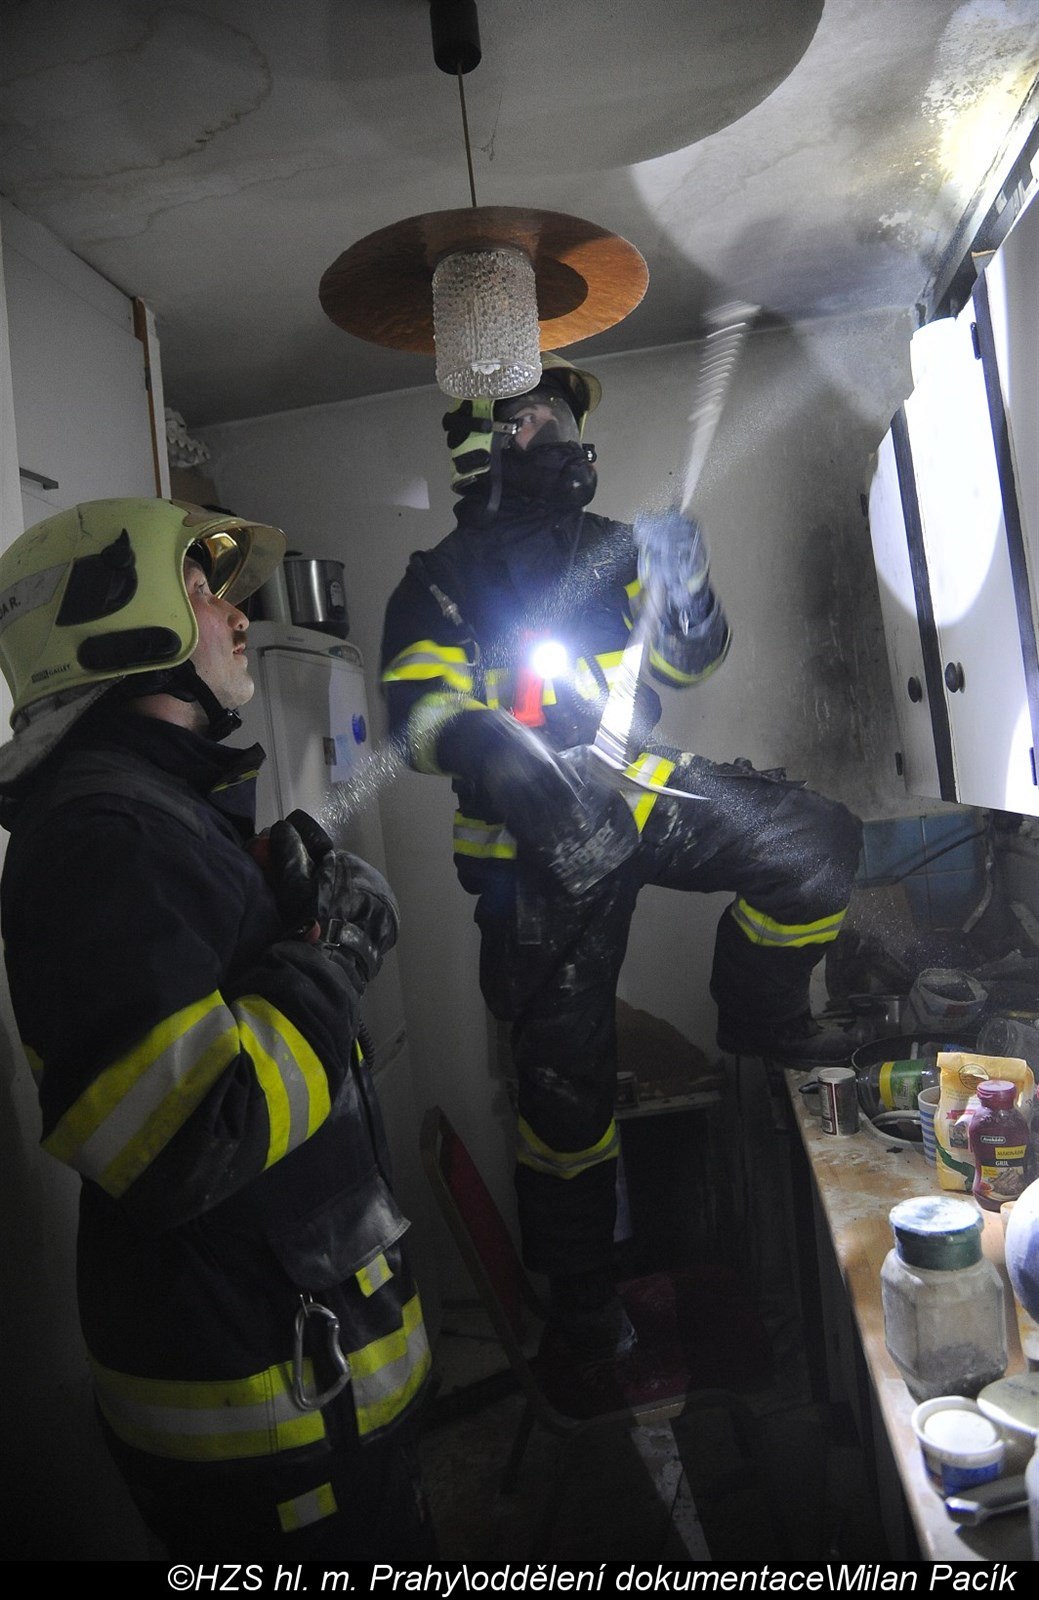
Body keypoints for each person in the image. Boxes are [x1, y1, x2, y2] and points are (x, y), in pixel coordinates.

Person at [380, 354, 863, 1355]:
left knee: (814, 844)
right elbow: (414, 712)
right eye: (539, 419)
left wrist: (688, 582)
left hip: (634, 793)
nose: (561, 436)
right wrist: (490, 750)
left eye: (561, 419)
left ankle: (763, 1022)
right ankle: (582, 1304)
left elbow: (690, 659)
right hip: (529, 851)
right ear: (486, 441)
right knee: (565, 1094)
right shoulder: (437, 580)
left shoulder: (611, 545)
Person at [0, 498, 435, 1559]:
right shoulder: (101, 836)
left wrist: (278, 907)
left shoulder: (148, 813)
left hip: (292, 1379)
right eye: (201, 590)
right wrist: (333, 957)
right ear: (117, 624)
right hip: (266, 1415)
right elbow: (191, 1138)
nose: (238, 615)